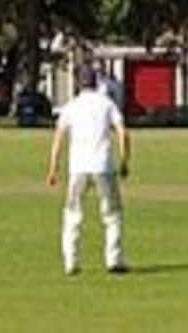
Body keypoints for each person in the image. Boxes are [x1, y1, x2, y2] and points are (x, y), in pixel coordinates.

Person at [47, 64, 131, 276]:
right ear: (96, 82)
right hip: (103, 166)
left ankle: (71, 262)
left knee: (72, 214)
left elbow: (59, 137)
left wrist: (53, 168)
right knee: (112, 214)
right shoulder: (107, 104)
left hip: (78, 168)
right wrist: (124, 161)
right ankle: (114, 260)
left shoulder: (71, 106)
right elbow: (123, 132)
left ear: (78, 83)